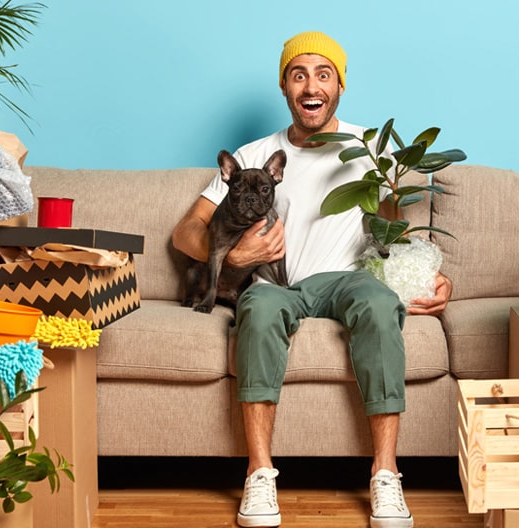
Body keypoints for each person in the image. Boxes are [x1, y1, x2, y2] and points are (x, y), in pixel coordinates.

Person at [172, 30, 452, 528]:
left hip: (347, 280)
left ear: (339, 85)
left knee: (380, 304)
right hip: (276, 287)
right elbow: (186, 232)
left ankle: (386, 474)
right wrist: (237, 252)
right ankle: (259, 474)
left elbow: (393, 232)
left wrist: (425, 276)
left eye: (323, 74)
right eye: (298, 74)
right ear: (284, 87)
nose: (310, 85)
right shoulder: (255, 153)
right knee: (255, 309)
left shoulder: (369, 150)